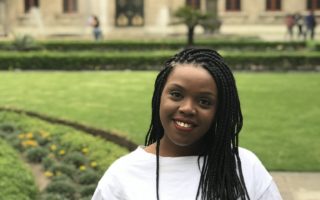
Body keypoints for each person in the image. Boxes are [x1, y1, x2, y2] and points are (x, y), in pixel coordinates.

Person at [92, 48, 282, 200]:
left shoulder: (245, 167)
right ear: (159, 96)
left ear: (219, 111)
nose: (187, 108)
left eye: (204, 101)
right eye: (176, 94)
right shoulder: (122, 176)